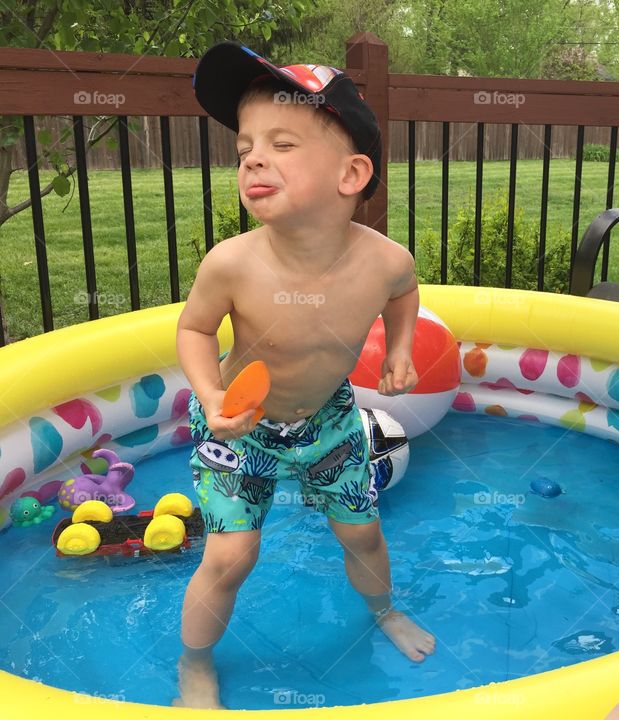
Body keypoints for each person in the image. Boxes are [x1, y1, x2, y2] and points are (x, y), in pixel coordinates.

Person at [174, 42, 435, 708]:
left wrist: (401, 347)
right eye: (245, 148)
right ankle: (194, 662)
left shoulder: (383, 260)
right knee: (231, 557)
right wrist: (209, 398)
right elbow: (195, 330)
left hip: (330, 422)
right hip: (241, 428)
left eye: (282, 143)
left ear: (351, 174)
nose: (253, 157)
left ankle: (383, 610)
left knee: (363, 532)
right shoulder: (231, 264)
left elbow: (404, 291)